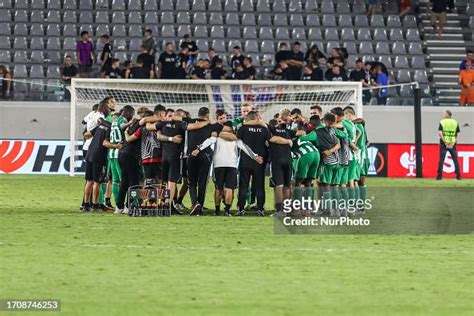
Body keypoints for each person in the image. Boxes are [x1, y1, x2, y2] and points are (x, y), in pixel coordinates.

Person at [236, 111, 271, 216]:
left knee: (243, 186)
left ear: (247, 119)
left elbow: (238, 142)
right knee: (260, 186)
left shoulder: (242, 128)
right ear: (257, 118)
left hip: (245, 161)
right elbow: (270, 143)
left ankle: (241, 209)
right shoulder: (264, 129)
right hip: (260, 161)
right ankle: (260, 209)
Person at [104, 106, 135, 213]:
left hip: (112, 154)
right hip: (120, 152)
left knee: (115, 181)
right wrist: (130, 122)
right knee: (124, 181)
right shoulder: (123, 120)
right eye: (132, 114)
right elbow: (122, 126)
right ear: (128, 113)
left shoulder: (114, 120)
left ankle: (118, 206)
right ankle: (124, 206)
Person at [437, 110, 461, 180]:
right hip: (452, 144)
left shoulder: (442, 122)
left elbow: (440, 133)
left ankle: (439, 176)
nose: (443, 114)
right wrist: (454, 142)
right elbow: (457, 134)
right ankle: (458, 175)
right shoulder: (455, 122)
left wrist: (445, 142)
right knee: (455, 160)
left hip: (444, 144)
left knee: (441, 160)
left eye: (444, 113)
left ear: (448, 114)